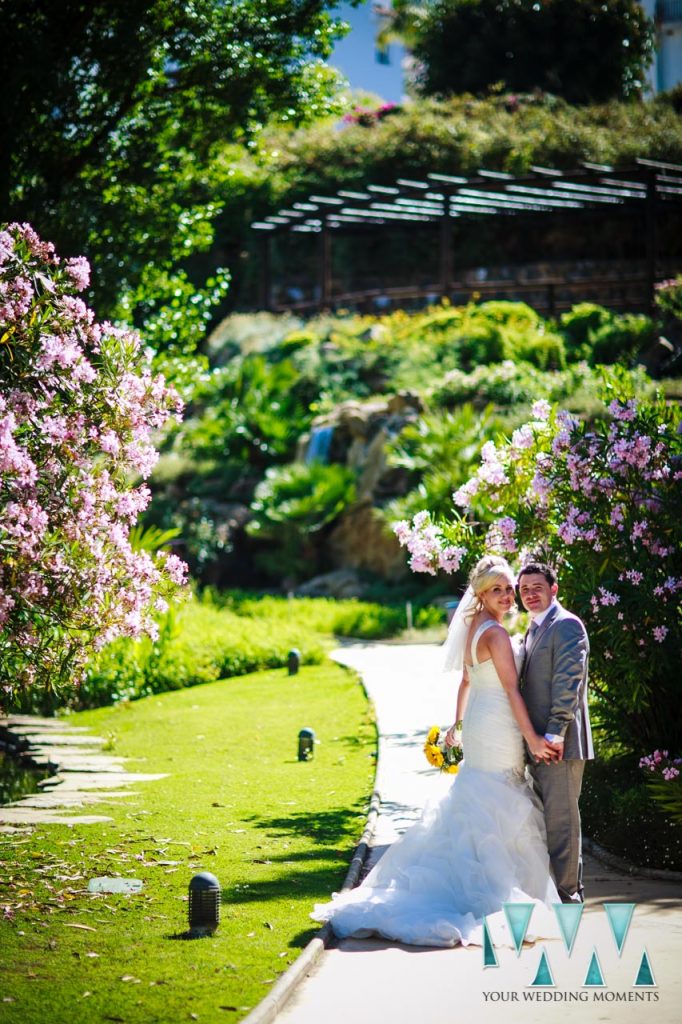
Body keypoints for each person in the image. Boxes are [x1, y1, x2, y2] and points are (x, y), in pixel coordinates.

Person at [311, 555, 560, 948]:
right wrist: (531, 738)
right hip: (498, 723)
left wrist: (456, 727)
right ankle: (491, 890)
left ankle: (477, 877)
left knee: (479, 794)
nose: (507, 594)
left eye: (509, 587)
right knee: (498, 796)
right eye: (498, 589)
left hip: (480, 721)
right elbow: (511, 690)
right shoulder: (494, 633)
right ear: (481, 593)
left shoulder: (473, 625)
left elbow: (465, 682)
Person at [517, 561, 593, 905]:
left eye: (537, 587)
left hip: (559, 744)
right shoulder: (534, 629)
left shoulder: (566, 626)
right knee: (548, 823)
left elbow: (568, 681)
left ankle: (569, 896)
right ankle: (559, 893)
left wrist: (555, 733)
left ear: (554, 589)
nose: (530, 594)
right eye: (524, 590)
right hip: (540, 745)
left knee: (563, 825)